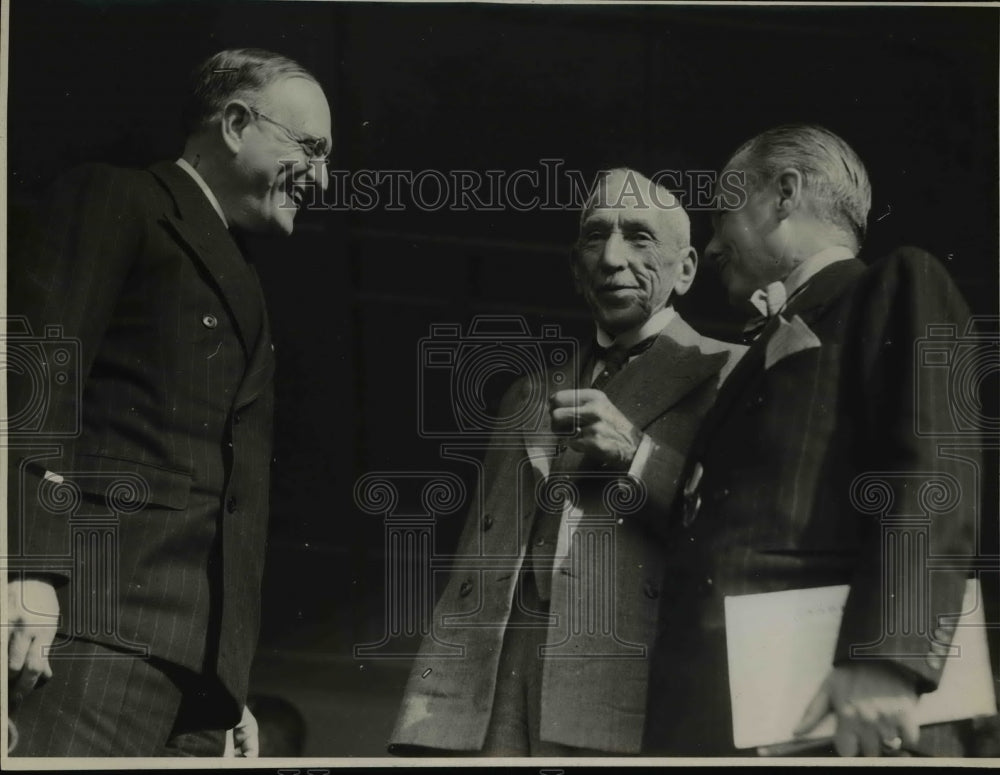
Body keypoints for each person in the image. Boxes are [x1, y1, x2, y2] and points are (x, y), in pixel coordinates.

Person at [6, 47, 331, 756]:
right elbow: (31, 388)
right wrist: (26, 572)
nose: (323, 177)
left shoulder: (237, 268)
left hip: (194, 676)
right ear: (237, 122)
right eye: (310, 148)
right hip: (93, 630)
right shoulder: (117, 199)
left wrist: (229, 676)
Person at [642, 124, 985, 757]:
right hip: (729, 715)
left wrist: (889, 659)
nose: (712, 243)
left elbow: (935, 471)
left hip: (841, 713)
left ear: (784, 193)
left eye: (722, 213)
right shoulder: (765, 342)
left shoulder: (893, 286)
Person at [388, 168, 745, 756]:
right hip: (502, 676)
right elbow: (475, 566)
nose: (611, 256)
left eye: (638, 237)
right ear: (575, 268)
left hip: (632, 675)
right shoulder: (527, 392)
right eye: (594, 236)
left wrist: (637, 455)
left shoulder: (729, 373)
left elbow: (736, 539)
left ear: (685, 270)